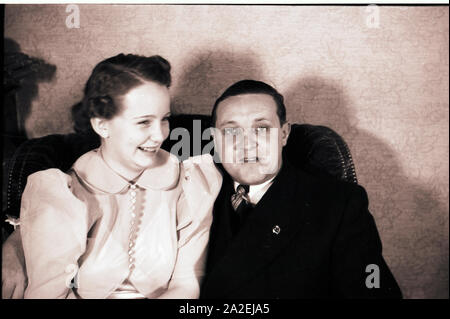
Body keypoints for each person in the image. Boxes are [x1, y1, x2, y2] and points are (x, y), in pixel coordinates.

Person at [1, 53, 222, 299]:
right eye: (144, 122)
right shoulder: (64, 193)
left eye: (165, 119)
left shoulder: (190, 184)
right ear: (101, 125)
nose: (160, 135)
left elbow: (186, 285)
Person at [200, 80, 402, 298]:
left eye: (262, 129)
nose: (247, 144)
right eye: (231, 131)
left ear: (284, 134)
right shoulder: (193, 196)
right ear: (215, 140)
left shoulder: (338, 205)